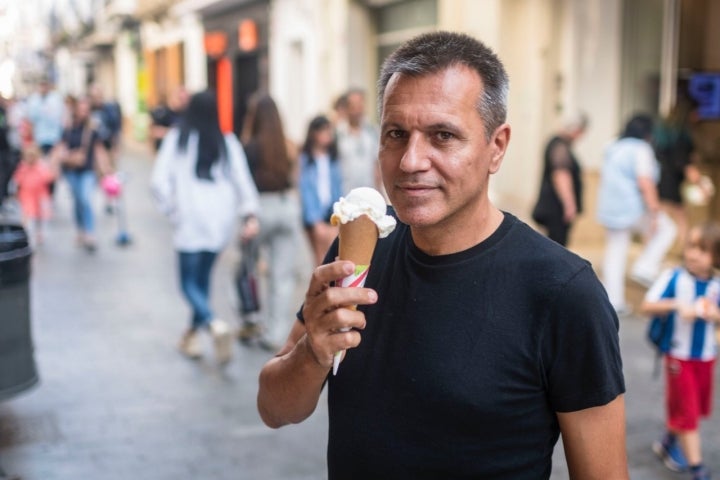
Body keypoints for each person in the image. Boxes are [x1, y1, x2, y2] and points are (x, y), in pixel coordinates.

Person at [257, 31, 628, 478]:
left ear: (497, 147)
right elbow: (275, 408)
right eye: (396, 134)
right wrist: (312, 353)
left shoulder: (563, 294)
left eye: (443, 135)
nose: (411, 160)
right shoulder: (359, 254)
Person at [150, 90, 260, 364]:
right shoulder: (226, 141)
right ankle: (191, 337)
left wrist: (171, 210)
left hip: (189, 220)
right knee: (202, 282)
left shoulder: (178, 140)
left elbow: (158, 182)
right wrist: (249, 214)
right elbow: (243, 181)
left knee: (188, 284)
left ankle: (212, 322)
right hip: (219, 223)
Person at [640, 221, 720, 480]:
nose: (694, 254)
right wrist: (677, 305)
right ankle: (698, 469)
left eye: (703, 249)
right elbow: (647, 306)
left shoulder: (716, 285)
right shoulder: (674, 277)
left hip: (706, 357)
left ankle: (666, 444)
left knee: (693, 408)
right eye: (691, 246)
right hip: (678, 357)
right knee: (688, 411)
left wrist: (712, 313)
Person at [238, 93, 301, 351]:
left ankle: (250, 320)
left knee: (244, 269)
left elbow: (243, 185)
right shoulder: (288, 145)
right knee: (281, 276)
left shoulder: (250, 147)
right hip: (287, 207)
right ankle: (275, 334)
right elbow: (295, 177)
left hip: (260, 209)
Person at [597, 114, 677, 313]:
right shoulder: (641, 149)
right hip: (632, 207)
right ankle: (646, 267)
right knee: (668, 229)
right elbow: (645, 181)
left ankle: (613, 301)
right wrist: (655, 210)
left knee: (615, 252)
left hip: (610, 207)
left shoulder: (612, 145)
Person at [51, 96, 112, 252]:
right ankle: (80, 229)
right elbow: (60, 147)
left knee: (85, 199)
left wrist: (107, 170)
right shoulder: (68, 128)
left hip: (87, 170)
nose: (84, 112)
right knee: (78, 201)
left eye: (86, 109)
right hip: (71, 171)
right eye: (81, 109)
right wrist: (56, 163)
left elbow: (99, 150)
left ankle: (89, 232)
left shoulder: (93, 129)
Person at [655, 94, 713, 250]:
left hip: (659, 179)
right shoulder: (682, 136)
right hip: (671, 182)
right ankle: (683, 251)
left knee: (660, 219)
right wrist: (702, 185)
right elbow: (684, 164)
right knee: (678, 218)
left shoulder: (664, 131)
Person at [531, 112, 588, 246]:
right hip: (555, 209)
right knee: (557, 247)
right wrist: (569, 205)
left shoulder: (557, 143)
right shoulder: (560, 145)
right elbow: (561, 175)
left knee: (552, 246)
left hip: (552, 208)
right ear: (576, 129)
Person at [298, 115, 343, 266]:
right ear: (314, 133)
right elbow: (305, 191)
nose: (327, 135)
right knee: (320, 259)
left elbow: (337, 187)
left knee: (333, 255)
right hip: (314, 215)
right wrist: (315, 220)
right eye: (323, 131)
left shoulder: (333, 159)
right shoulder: (305, 160)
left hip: (331, 211)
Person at [335, 88, 382, 193]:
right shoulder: (338, 134)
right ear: (346, 108)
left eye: (359, 106)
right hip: (346, 193)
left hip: (370, 192)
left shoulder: (373, 131)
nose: (357, 110)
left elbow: (377, 164)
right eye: (353, 106)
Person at [11, 143, 57, 245]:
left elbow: (49, 178)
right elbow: (16, 181)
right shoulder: (22, 168)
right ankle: (29, 238)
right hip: (27, 197)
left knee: (42, 216)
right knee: (28, 219)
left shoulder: (41, 167)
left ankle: (41, 233)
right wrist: (15, 193)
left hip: (40, 196)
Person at [150, 85, 189, 153]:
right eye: (180, 99)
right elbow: (153, 131)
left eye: (185, 100)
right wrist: (172, 132)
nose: (183, 102)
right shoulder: (162, 112)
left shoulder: (187, 114)